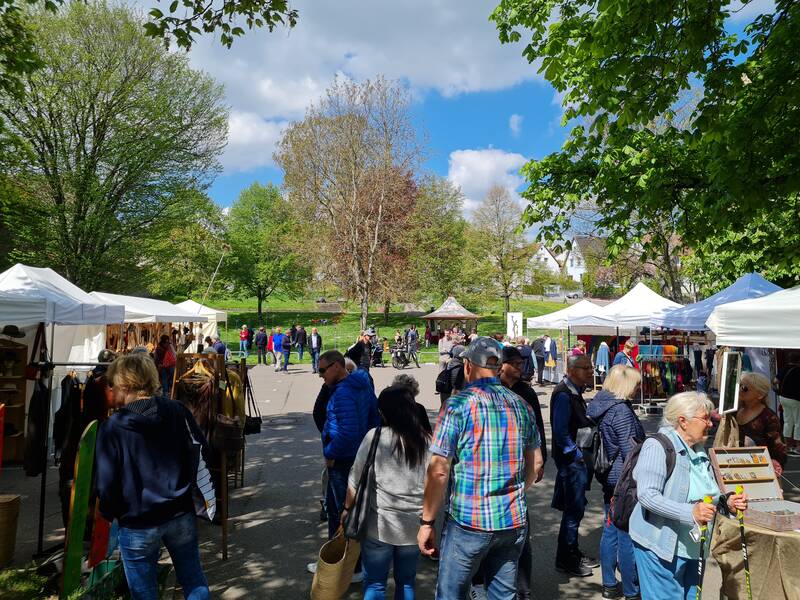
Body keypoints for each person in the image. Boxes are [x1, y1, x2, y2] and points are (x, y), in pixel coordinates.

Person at [417, 337, 543, 600]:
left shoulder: (458, 406)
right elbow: (536, 464)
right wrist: (515, 491)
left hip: (468, 521)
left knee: (451, 593)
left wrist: (427, 522)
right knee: (502, 594)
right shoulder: (522, 405)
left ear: (467, 366)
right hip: (512, 520)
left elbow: (439, 469)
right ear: (498, 367)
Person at [95, 353, 210, 600]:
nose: (110, 390)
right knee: (193, 578)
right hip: (179, 512)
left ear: (125, 385)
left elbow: (106, 484)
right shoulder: (177, 410)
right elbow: (200, 449)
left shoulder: (112, 428)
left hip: (139, 521)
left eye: (112, 384)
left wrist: (109, 512)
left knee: (144, 593)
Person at [630, 392, 748, 600]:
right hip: (660, 547)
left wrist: (726, 501)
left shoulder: (699, 449)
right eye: (705, 418)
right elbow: (647, 495)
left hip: (694, 547)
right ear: (683, 421)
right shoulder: (657, 446)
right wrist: (690, 512)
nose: (711, 424)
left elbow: (705, 493)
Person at [343, 385, 431, 599]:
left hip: (378, 525)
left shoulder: (375, 436)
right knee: (407, 582)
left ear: (383, 411)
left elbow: (355, 479)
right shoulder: (427, 440)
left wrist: (346, 509)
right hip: (414, 526)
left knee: (374, 583)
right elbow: (436, 485)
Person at [307, 350, 379, 578]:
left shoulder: (342, 394)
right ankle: (349, 563)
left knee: (341, 513)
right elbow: (373, 420)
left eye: (322, 370)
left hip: (343, 461)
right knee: (350, 511)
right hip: (359, 457)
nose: (320, 376)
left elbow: (347, 432)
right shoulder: (361, 386)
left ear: (337, 366)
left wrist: (330, 452)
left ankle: (342, 566)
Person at [586, 365, 645, 600]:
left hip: (610, 476)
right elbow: (632, 451)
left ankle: (609, 584)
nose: (640, 387)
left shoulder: (603, 402)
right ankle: (631, 590)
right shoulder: (620, 410)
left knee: (611, 529)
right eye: (637, 383)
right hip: (624, 480)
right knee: (626, 534)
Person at [498, 346, 547, 599]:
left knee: (521, 535)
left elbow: (537, 429)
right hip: (494, 469)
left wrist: (541, 462)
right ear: (501, 365)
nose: (519, 367)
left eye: (521, 363)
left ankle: (524, 590)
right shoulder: (491, 390)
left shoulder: (526, 392)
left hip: (519, 470)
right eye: (514, 363)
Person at [551, 353, 598, 576]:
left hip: (575, 461)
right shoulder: (564, 394)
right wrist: (575, 454)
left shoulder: (574, 391)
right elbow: (560, 432)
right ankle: (566, 558)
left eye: (591, 368)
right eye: (585, 368)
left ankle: (572, 551)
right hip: (572, 463)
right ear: (571, 371)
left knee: (575, 510)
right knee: (573, 510)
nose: (591, 371)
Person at [736, 371, 787, 475]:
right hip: (736, 465)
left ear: (759, 395)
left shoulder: (768, 417)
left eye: (745, 388)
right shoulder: (735, 410)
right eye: (740, 385)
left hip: (760, 469)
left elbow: (779, 448)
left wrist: (776, 464)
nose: (740, 389)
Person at [775, 353, 800, 455]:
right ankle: (798, 447)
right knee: (798, 422)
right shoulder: (798, 370)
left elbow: (774, 381)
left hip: (783, 397)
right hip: (796, 399)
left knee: (787, 421)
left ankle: (787, 446)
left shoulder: (784, 369)